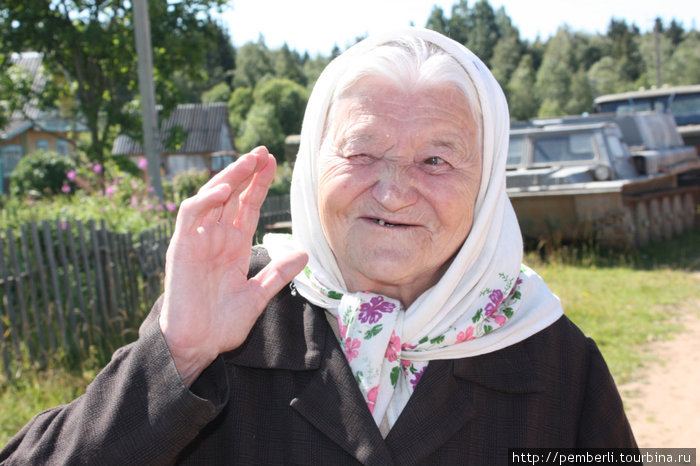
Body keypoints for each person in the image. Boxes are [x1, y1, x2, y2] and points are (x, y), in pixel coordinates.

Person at [0, 27, 637, 465]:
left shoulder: (549, 356)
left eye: (437, 159)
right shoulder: (239, 317)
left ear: (487, 182)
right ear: (312, 165)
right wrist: (177, 356)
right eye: (361, 151)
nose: (392, 192)